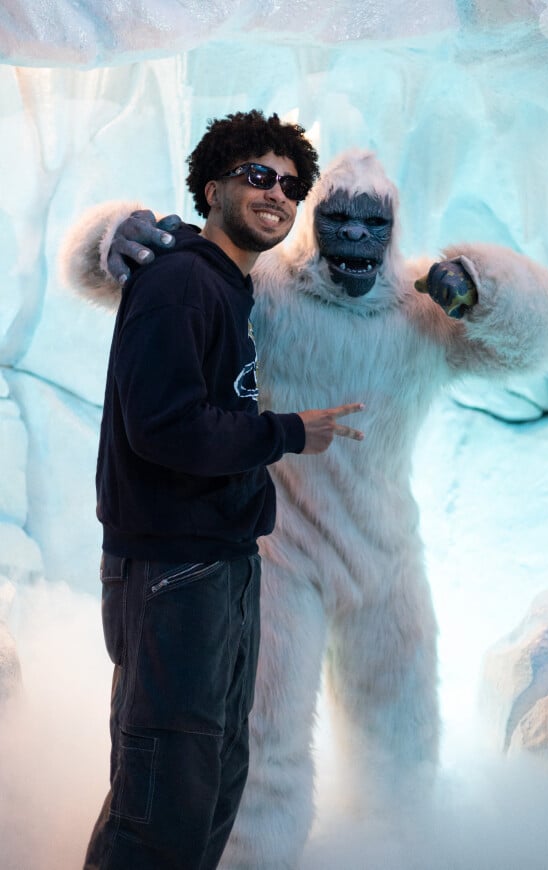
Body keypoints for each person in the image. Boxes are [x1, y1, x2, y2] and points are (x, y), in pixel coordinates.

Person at [83, 109, 365, 870]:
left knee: (209, 776)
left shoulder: (225, 287)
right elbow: (165, 428)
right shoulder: (180, 283)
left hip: (217, 559)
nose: (278, 194)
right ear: (212, 187)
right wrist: (285, 432)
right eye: (258, 176)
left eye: (292, 185)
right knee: (165, 788)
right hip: (175, 566)